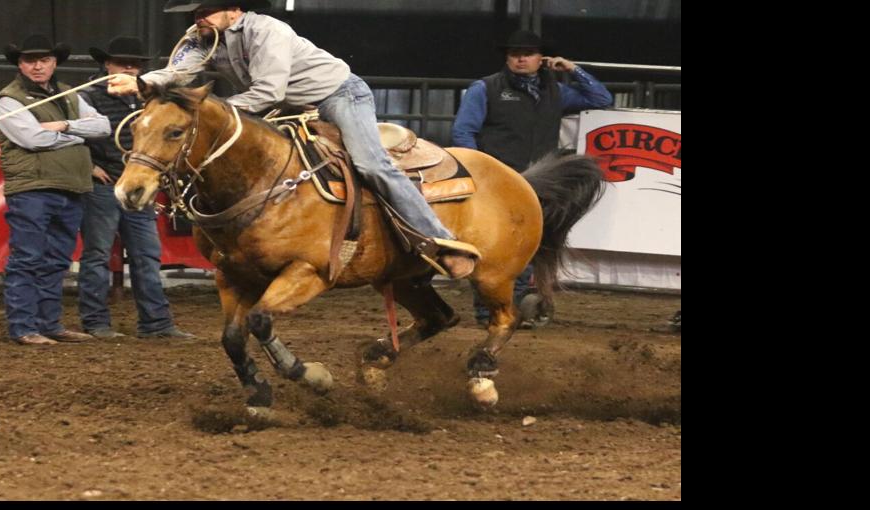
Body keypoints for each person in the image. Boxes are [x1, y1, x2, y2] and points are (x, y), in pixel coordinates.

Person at [106, 1, 482, 280]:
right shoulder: (203, 37)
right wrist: (143, 82)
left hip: (338, 96)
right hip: (291, 106)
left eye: (205, 10)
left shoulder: (268, 31)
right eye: (194, 12)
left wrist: (215, 114)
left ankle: (439, 239)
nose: (197, 18)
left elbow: (268, 92)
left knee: (370, 163)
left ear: (233, 10)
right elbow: (179, 71)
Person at [452, 29, 613, 327]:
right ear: (507, 58)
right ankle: (490, 311)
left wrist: (573, 69)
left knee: (526, 244)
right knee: (493, 246)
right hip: (498, 181)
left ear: (542, 59)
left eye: (528, 53)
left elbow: (601, 98)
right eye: (515, 53)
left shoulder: (556, 91)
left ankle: (508, 309)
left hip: (537, 182)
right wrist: (478, 172)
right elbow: (464, 132)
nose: (521, 58)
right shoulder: (485, 88)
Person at [74, 36, 195, 341]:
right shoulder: (87, 96)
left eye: (135, 64)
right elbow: (75, 135)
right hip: (104, 184)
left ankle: (156, 323)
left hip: (137, 186)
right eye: (121, 63)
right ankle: (96, 322)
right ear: (107, 65)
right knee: (98, 253)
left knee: (146, 254)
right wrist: (89, 166)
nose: (129, 67)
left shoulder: (149, 98)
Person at [0, 34, 112, 345]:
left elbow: (103, 127)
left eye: (44, 60)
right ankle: (23, 327)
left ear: (54, 63)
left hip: (70, 186)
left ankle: (48, 324)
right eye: (30, 60)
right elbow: (33, 139)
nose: (37, 66)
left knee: (57, 259)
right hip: (32, 188)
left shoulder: (68, 94)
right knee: (29, 257)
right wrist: (79, 135)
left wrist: (65, 127)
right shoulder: (9, 99)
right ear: (20, 64)